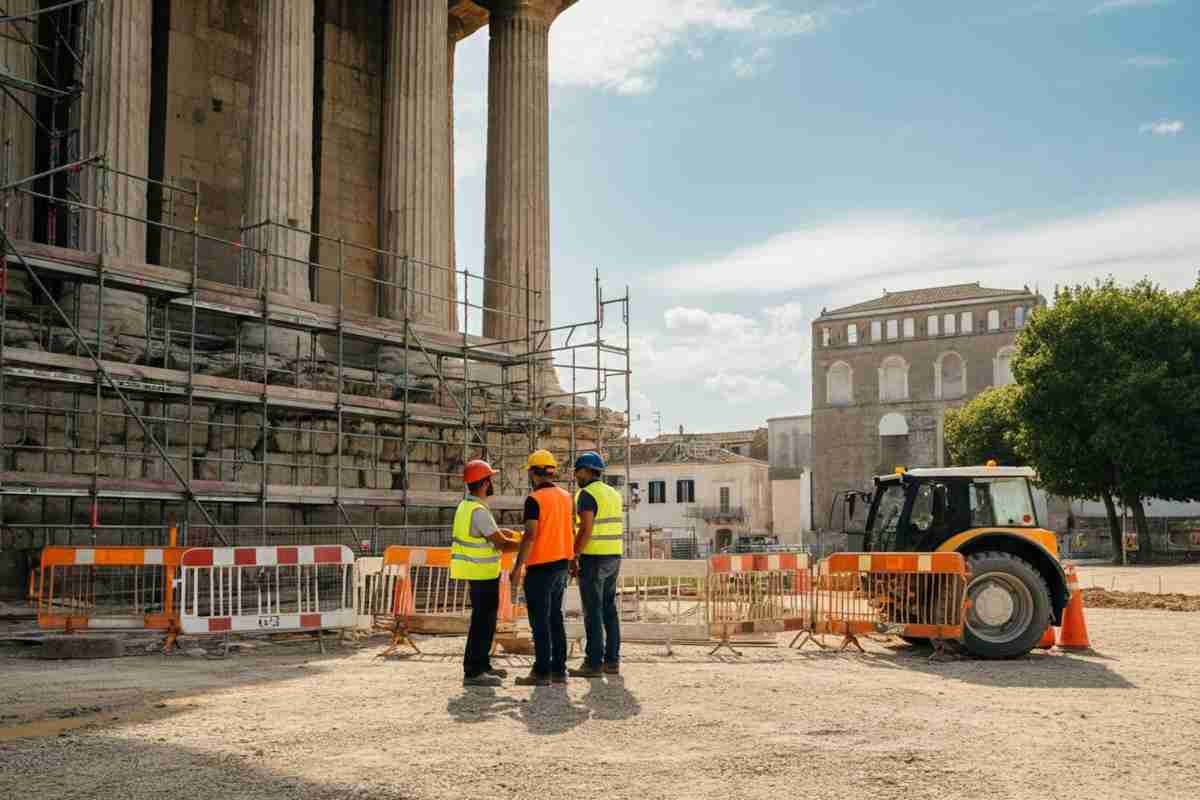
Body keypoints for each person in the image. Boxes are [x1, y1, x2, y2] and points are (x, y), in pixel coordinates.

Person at [451, 459, 520, 687]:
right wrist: (527, 542)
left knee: (485, 622)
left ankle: (483, 665)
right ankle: (473, 672)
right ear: (484, 483)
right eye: (490, 479)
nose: (492, 483)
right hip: (482, 574)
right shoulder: (478, 510)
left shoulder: (466, 506)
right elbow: (501, 544)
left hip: (478, 573)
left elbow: (490, 534)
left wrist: (507, 534)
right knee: (482, 623)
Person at [510, 449, 574, 687]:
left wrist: (518, 567)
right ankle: (559, 670)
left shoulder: (534, 500)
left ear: (532, 473)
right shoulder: (566, 497)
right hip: (561, 565)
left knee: (540, 621)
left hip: (540, 567)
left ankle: (541, 672)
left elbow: (530, 535)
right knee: (555, 618)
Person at [568, 452, 624, 678]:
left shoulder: (586, 494)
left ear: (587, 471)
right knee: (609, 609)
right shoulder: (613, 494)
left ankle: (593, 663)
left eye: (577, 470)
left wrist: (574, 554)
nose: (575, 475)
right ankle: (612, 661)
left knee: (592, 611)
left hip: (593, 558)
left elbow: (586, 528)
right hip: (614, 556)